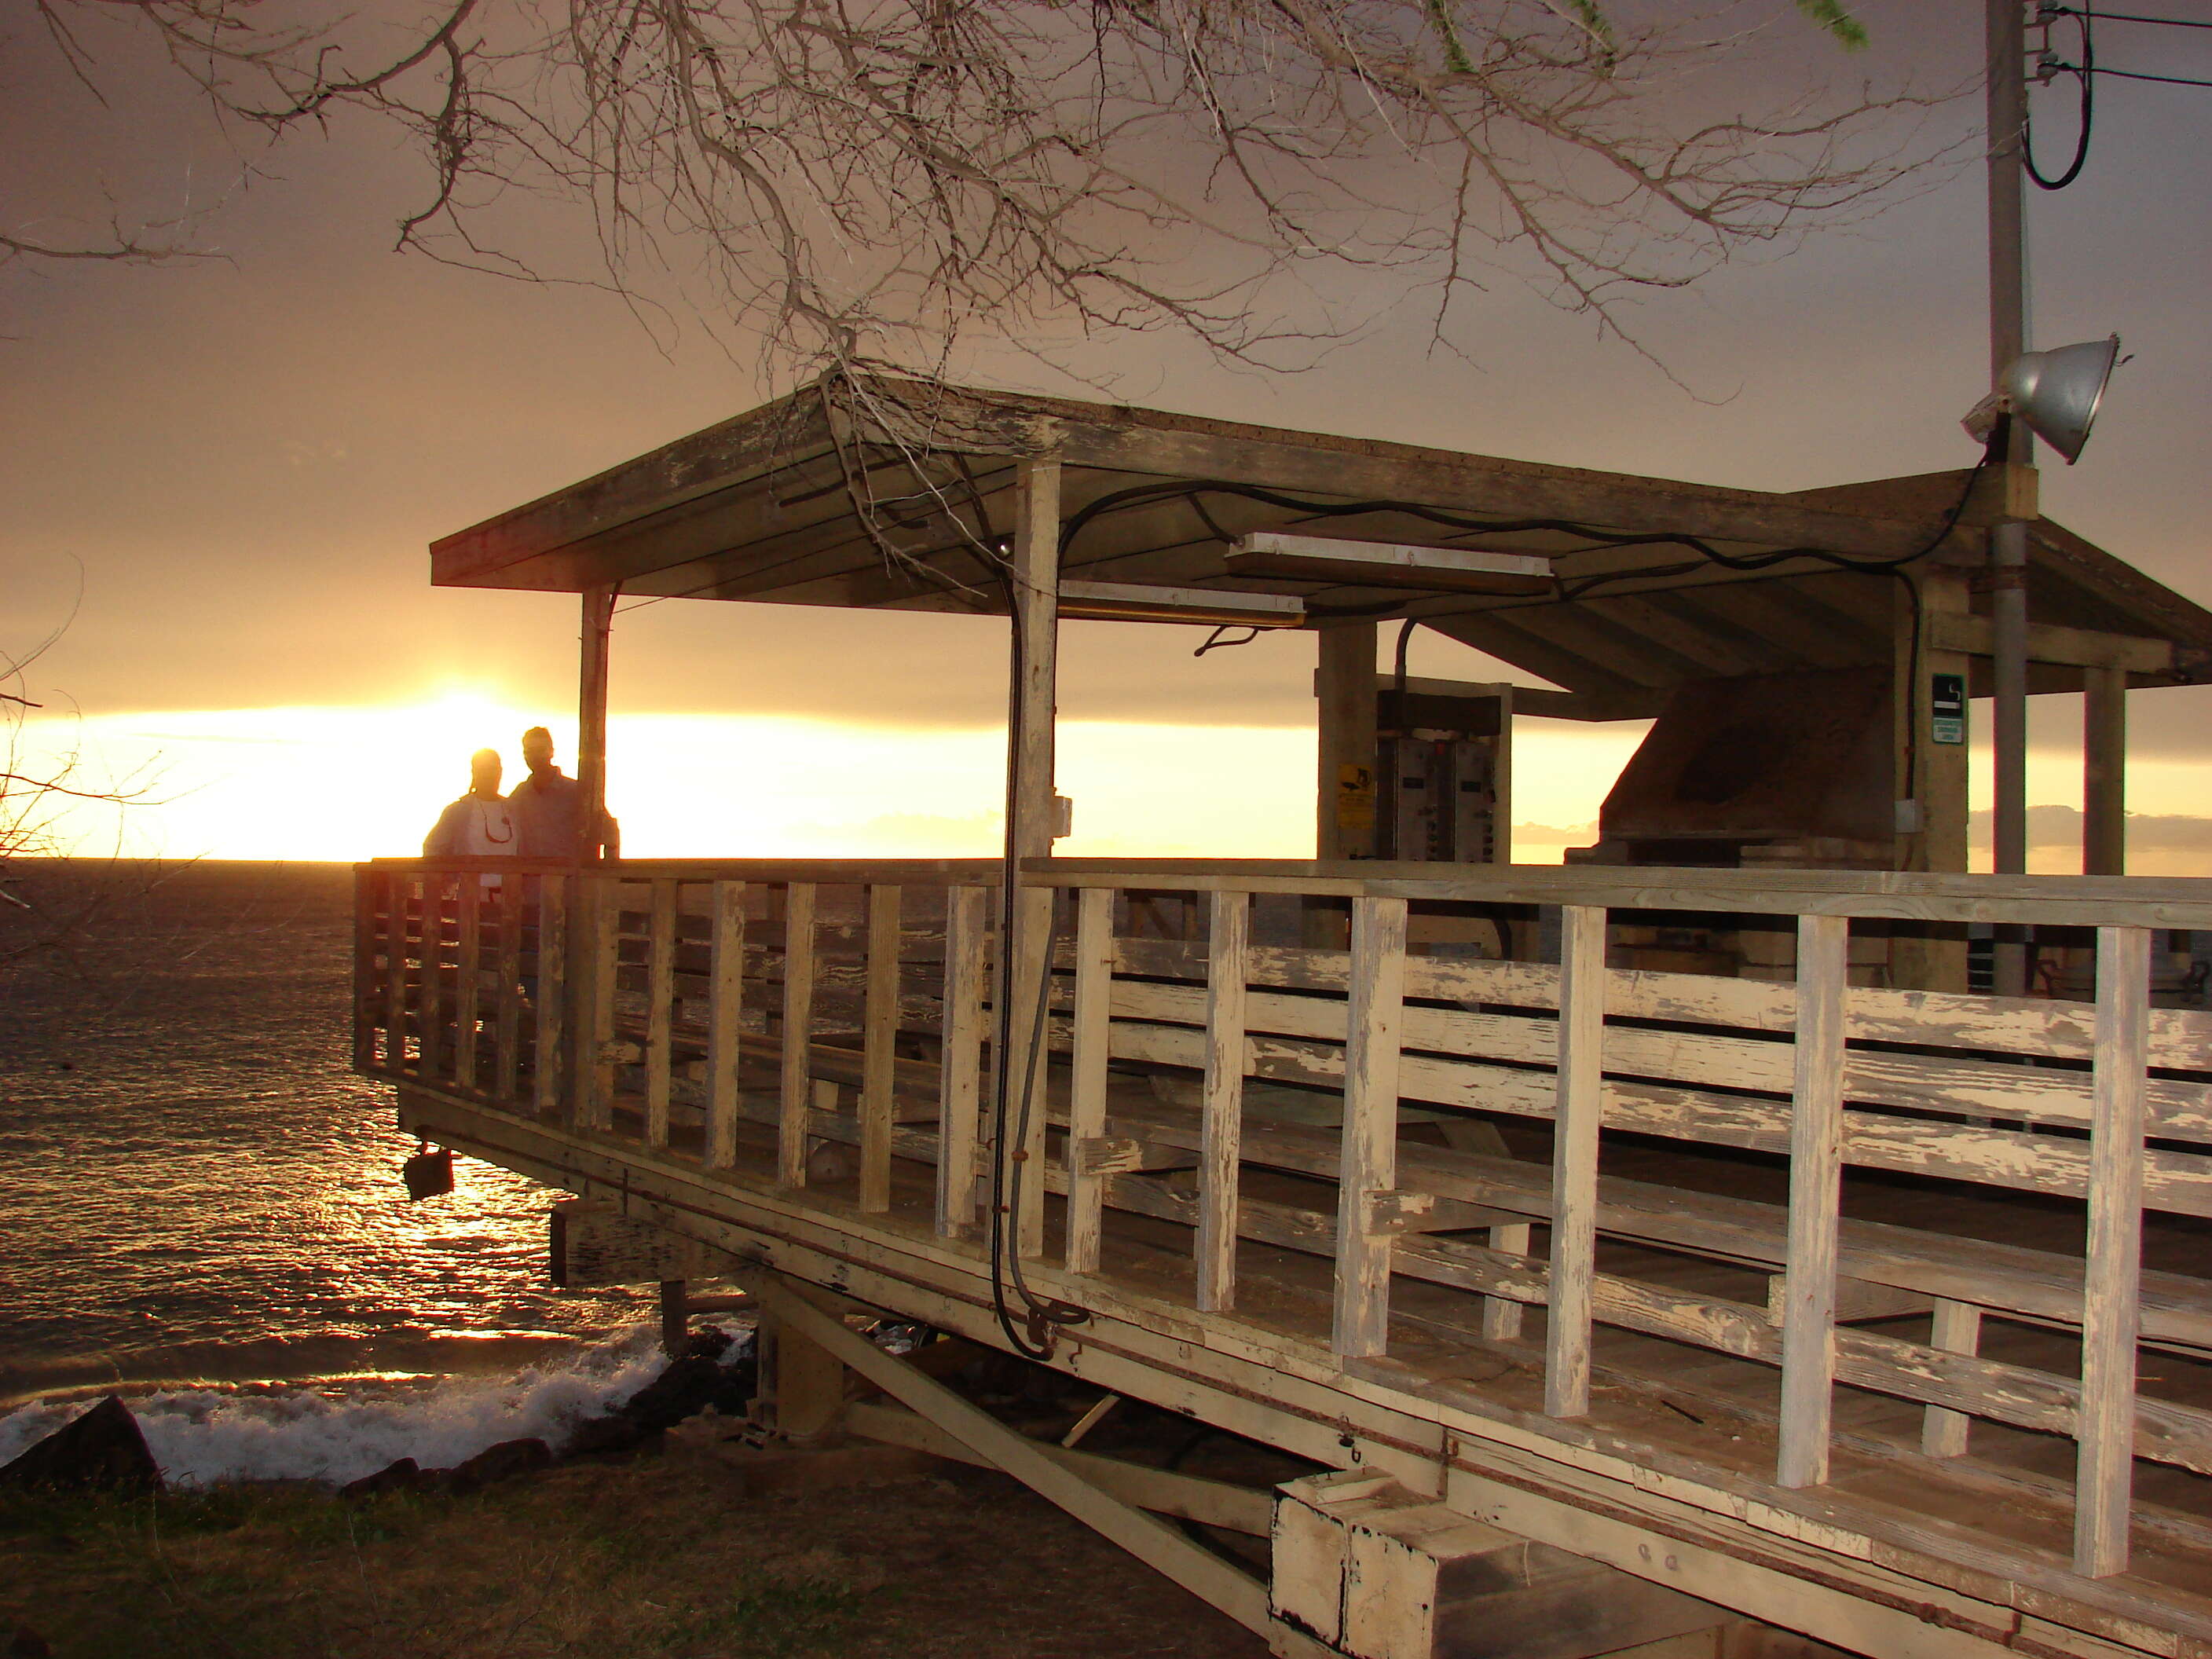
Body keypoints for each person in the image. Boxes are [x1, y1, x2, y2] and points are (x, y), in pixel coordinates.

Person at [507, 726, 620, 859]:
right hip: (530, 878)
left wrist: (605, 872)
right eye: (529, 751)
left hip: (568, 878)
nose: (535, 756)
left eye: (540, 750)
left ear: (551, 752)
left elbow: (610, 832)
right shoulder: (520, 795)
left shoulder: (575, 792)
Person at [423, 749, 515, 858]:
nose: (488, 774)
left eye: (492, 769)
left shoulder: (514, 809)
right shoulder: (457, 812)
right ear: (474, 772)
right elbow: (432, 849)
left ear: (500, 771)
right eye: (483, 769)